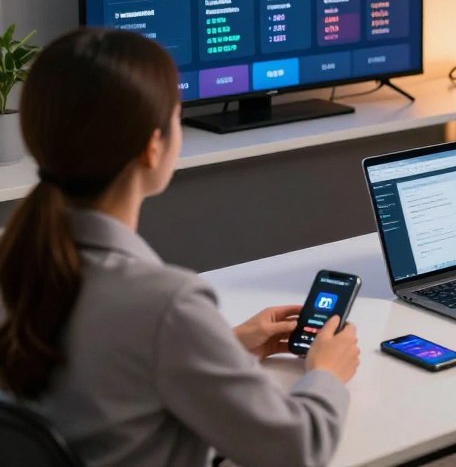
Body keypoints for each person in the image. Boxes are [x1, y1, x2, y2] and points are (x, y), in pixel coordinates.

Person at [0, 28, 358, 467]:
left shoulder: (14, 256)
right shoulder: (165, 304)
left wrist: (221, 346)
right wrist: (326, 373)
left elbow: (100, 376)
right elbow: (298, 448)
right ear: (153, 147)